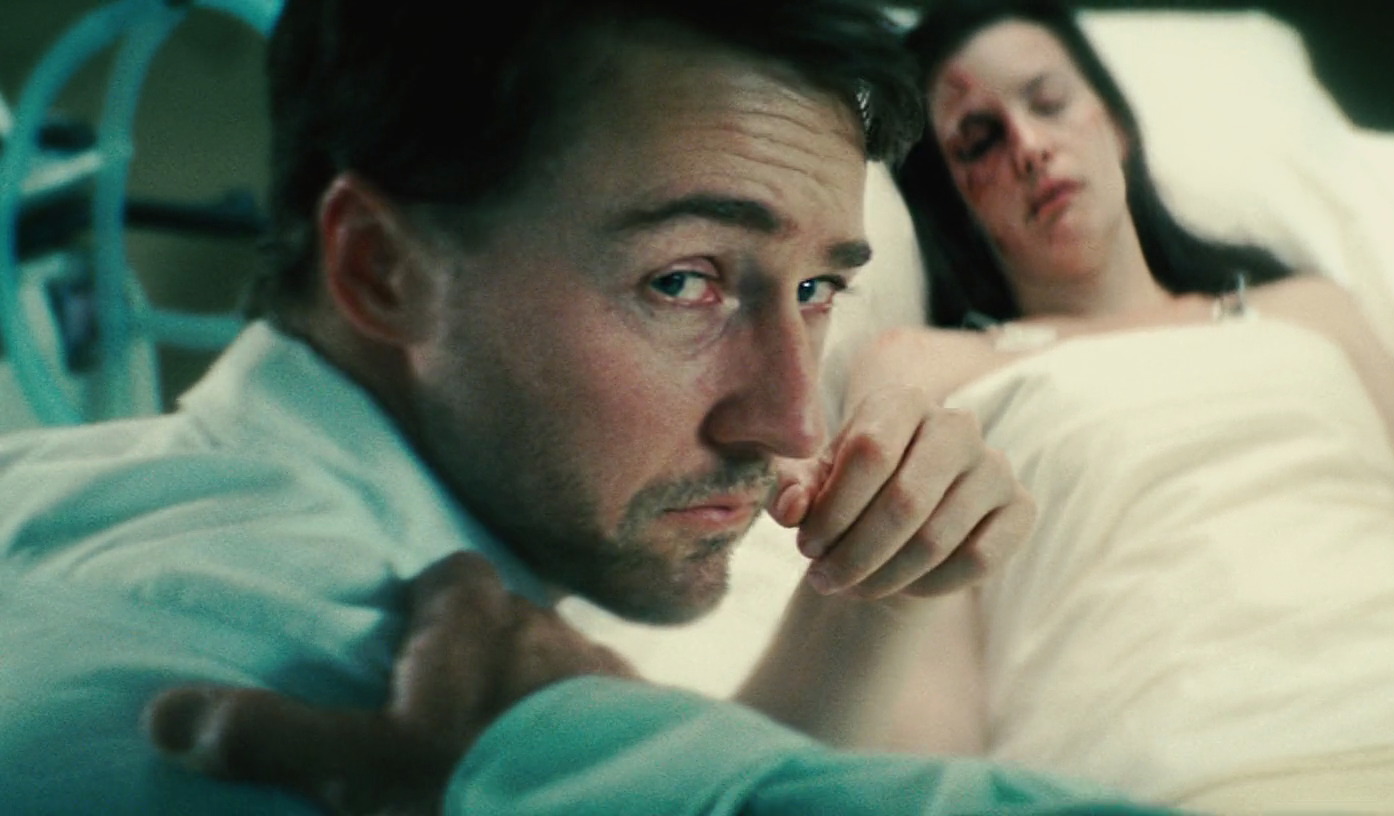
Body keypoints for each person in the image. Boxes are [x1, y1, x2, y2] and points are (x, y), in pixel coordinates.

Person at [0, 1, 1152, 813]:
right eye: (684, 282)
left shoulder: (44, 488)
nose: (793, 422)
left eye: (815, 292)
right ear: (382, 269)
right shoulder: (327, 722)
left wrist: (867, 604)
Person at [841, 0, 1394, 812]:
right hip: (1202, 773)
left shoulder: (1310, 314)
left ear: (1114, 123)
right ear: (951, 202)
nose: (1030, 147)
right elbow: (927, 708)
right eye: (979, 141)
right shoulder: (932, 371)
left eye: (1049, 102)